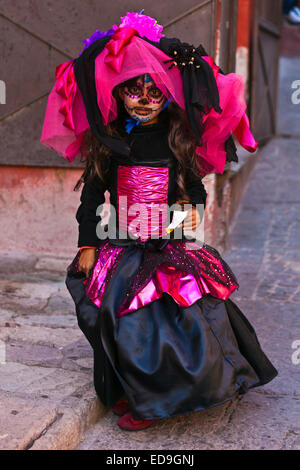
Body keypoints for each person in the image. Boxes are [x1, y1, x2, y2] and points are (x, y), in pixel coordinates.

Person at [40, 11, 278, 431]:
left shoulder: (178, 142)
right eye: (134, 89)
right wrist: (88, 245)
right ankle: (132, 390)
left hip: (168, 242)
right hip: (123, 243)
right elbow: (93, 200)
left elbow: (197, 192)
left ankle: (160, 399)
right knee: (118, 316)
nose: (144, 98)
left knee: (173, 319)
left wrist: (186, 214)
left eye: (154, 91)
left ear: (167, 95)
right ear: (119, 93)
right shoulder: (110, 145)